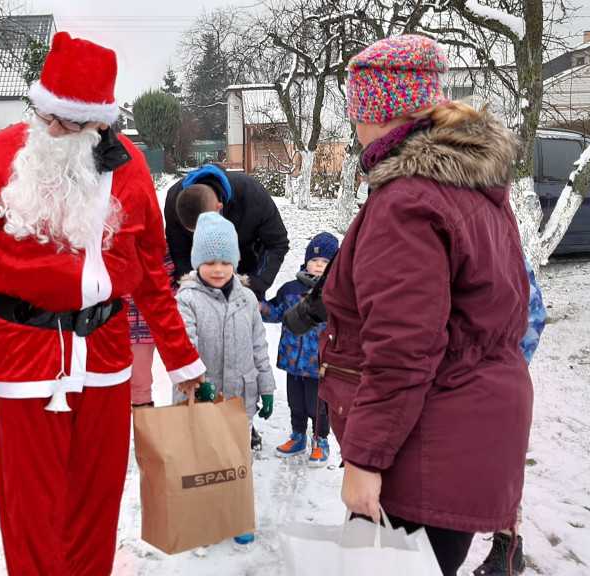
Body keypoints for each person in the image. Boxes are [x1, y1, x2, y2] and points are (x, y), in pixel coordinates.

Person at [0, 32, 205, 576]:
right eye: (44, 114)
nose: (50, 130)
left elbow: (150, 274)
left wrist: (181, 358)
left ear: (99, 122)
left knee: (95, 503)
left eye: (67, 121)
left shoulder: (131, 169)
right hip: (24, 353)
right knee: (31, 509)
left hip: (104, 357)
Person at [320, 35, 532, 576]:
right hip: (465, 435)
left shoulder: (408, 199)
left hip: (422, 452)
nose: (354, 124)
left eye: (357, 110)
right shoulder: (470, 186)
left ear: (379, 113)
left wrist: (364, 460)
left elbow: (402, 347)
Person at [172, 211, 276, 545]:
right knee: (203, 463)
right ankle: (203, 518)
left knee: (235, 461)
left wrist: (266, 386)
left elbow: (259, 344)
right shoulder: (187, 299)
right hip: (199, 402)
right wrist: (196, 382)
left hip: (239, 400)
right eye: (210, 261)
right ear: (197, 262)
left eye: (225, 261)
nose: (218, 269)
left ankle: (236, 514)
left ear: (235, 262)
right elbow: (184, 345)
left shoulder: (247, 299)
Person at [474, 253, 547, 576]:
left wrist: (507, 367)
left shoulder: (505, 250)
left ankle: (507, 550)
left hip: (495, 386)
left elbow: (534, 316)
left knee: (499, 471)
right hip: (446, 386)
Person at [260, 232, 339, 466]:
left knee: (316, 406)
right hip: (292, 361)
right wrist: (258, 306)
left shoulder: (335, 294)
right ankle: (297, 436)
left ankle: (320, 439)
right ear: (306, 261)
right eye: (314, 260)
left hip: (319, 365)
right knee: (296, 403)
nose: (318, 266)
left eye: (325, 262)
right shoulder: (290, 289)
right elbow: (276, 313)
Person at [165, 164, 289, 301]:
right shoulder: (174, 201)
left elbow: (276, 243)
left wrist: (255, 286)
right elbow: (179, 251)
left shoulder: (253, 195)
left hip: (247, 272)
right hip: (201, 281)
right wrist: (194, 288)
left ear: (219, 208)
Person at [125, 249, 176, 408]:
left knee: (141, 381)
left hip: (150, 323)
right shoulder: (111, 242)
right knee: (124, 382)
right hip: (119, 325)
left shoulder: (156, 245)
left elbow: (170, 279)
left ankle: (145, 426)